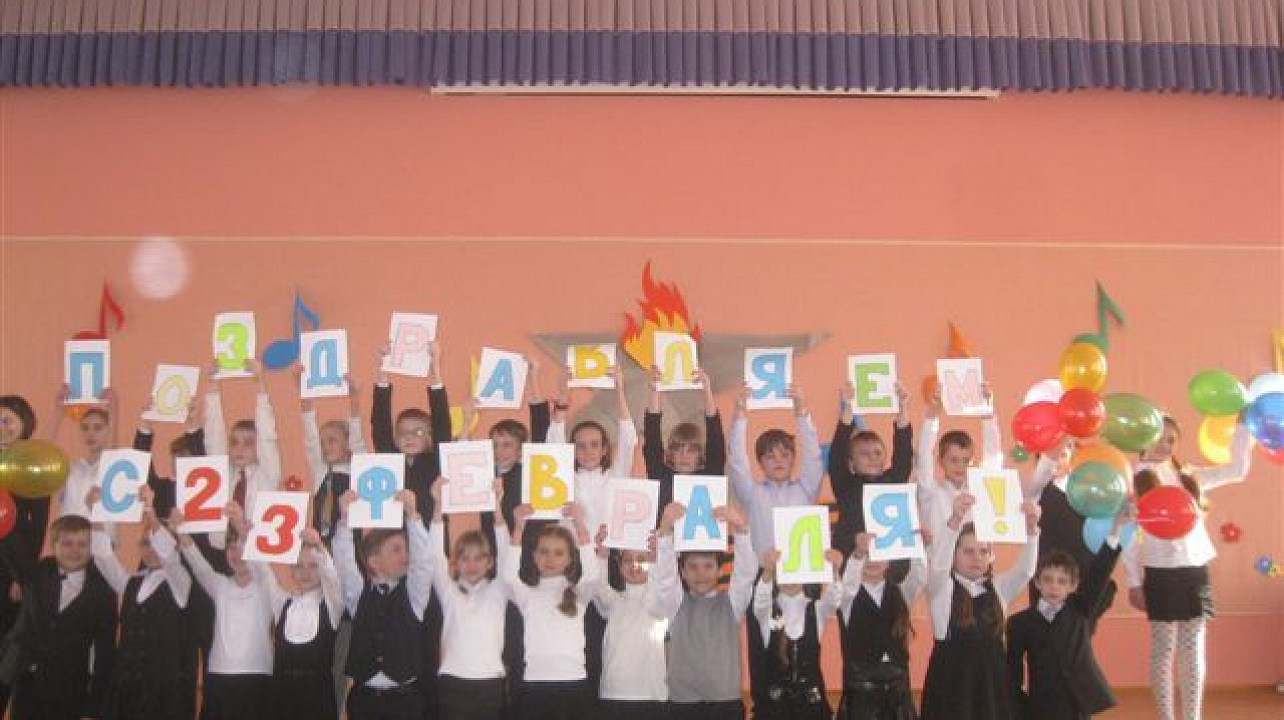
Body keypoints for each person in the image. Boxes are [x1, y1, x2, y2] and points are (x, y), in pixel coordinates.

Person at [1123, 416, 1252, 720]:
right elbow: (1128, 537)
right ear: (1143, 438)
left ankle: (1192, 716)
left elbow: (1237, 470)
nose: (1165, 445)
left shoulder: (1187, 476)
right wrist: (1133, 581)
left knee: (1193, 647)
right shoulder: (1132, 481)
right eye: (1158, 437)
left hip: (1194, 569)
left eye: (1171, 440)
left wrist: (1244, 428)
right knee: (1164, 649)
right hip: (1160, 571)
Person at [919, 493, 1039, 720]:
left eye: (983, 551)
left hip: (992, 684)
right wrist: (955, 520)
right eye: (968, 551)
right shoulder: (941, 590)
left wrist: (1032, 531)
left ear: (991, 556)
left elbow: (1026, 571)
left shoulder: (999, 588)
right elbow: (939, 566)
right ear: (954, 554)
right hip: (952, 686)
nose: (977, 558)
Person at [1007, 504, 1131, 720]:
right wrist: (1018, 706)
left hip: (1077, 702)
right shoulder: (1020, 623)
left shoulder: (1081, 609)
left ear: (1073, 586)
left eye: (1062, 581)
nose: (1054, 586)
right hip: (1042, 704)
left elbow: (1100, 572)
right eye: (1047, 580)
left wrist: (1116, 529)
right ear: (1037, 583)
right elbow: (1013, 670)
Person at [90, 486, 195, 720]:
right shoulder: (131, 582)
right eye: (146, 543)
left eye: (156, 542)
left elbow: (170, 557)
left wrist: (150, 512)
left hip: (163, 693)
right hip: (126, 687)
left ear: (175, 545)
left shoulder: (181, 581)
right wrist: (96, 513)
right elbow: (103, 557)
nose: (152, 549)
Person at [0, 514, 117, 720]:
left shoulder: (103, 593)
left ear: (91, 548)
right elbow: (12, 543)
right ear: (54, 546)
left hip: (69, 692)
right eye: (67, 544)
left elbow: (105, 655)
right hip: (26, 686)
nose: (75, 550)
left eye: (82, 544)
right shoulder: (39, 572)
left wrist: (93, 711)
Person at [333, 488, 433, 720]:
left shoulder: (414, 595)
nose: (405, 555)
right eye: (396, 549)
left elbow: (424, 564)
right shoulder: (359, 595)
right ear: (373, 561)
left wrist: (413, 516)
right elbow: (344, 564)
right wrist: (345, 520)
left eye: (406, 549)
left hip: (404, 702)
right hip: (364, 701)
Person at [652, 501, 756, 720]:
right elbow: (665, 578)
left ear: (720, 570)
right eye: (693, 567)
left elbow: (745, 574)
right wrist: (665, 531)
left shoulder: (732, 604)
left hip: (725, 703)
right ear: (682, 572)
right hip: (683, 704)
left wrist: (742, 529)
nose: (701, 574)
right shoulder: (675, 604)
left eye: (708, 566)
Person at [501, 502, 603, 720]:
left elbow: (593, 576)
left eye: (558, 553)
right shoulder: (527, 593)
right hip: (534, 685)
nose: (550, 559)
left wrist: (580, 525)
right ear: (533, 556)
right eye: (544, 552)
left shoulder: (578, 592)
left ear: (570, 559)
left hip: (573, 683)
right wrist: (518, 529)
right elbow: (508, 578)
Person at [426, 479, 511, 720]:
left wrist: (497, 508)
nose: (472, 565)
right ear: (455, 563)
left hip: (490, 683)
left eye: (478, 558)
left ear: (490, 562)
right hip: (453, 682)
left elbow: (507, 554)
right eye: (464, 558)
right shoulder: (449, 591)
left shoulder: (498, 591)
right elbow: (435, 556)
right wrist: (438, 506)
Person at [837, 533, 926, 720]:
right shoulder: (847, 597)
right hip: (861, 692)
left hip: (898, 691)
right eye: (867, 554)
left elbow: (919, 576)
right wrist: (858, 555)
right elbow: (849, 582)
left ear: (890, 560)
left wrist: (917, 546)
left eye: (878, 554)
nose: (872, 560)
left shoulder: (901, 591)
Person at [749, 547, 844, 720]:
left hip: (811, 705)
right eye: (784, 571)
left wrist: (834, 572)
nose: (790, 578)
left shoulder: (817, 608)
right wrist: (767, 572)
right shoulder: (767, 611)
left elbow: (833, 600)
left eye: (795, 572)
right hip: (775, 708)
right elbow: (760, 600)